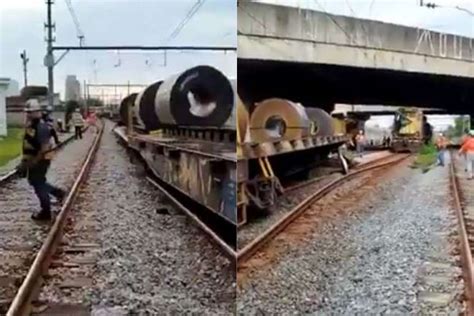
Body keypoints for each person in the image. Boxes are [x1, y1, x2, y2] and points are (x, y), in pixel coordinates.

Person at [17, 100, 65, 220]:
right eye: (27, 113)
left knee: (38, 183)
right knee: (36, 181)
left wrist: (34, 162)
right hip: (33, 159)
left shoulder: (41, 127)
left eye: (30, 112)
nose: (27, 115)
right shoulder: (32, 125)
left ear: (37, 112)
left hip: (41, 159)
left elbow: (43, 148)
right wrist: (25, 161)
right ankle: (57, 192)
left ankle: (46, 211)